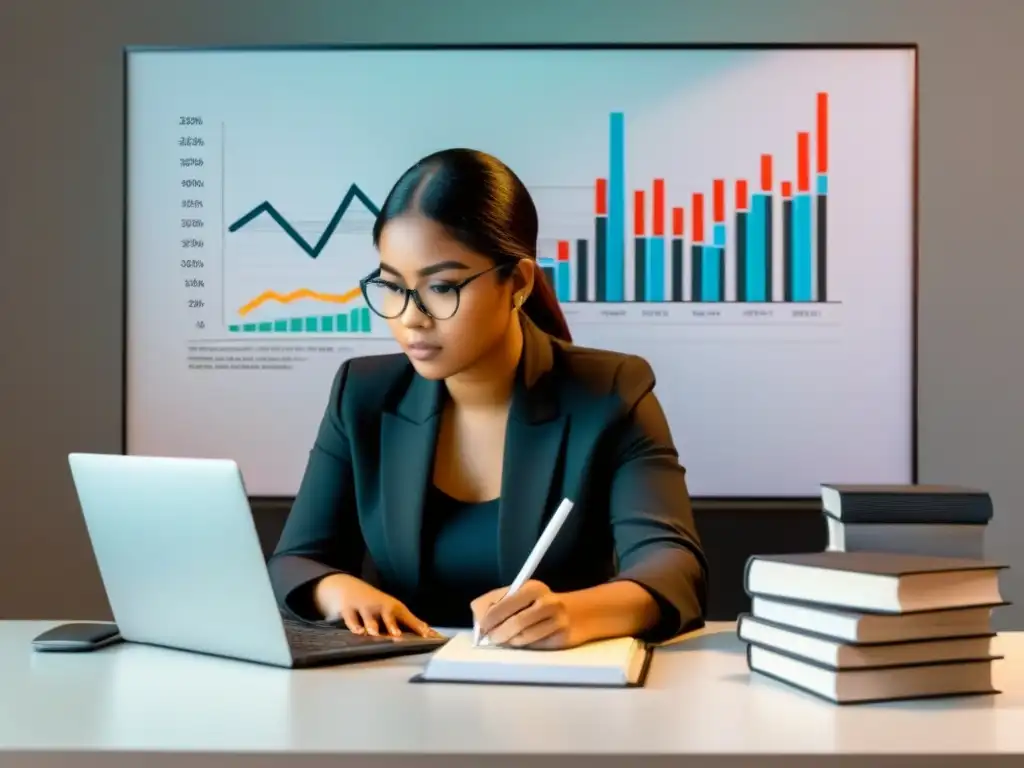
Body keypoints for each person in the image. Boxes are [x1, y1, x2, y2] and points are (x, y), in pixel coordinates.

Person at [268, 148, 708, 649]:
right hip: (399, 690)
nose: (411, 317)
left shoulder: (610, 392)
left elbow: (675, 567)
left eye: (441, 286)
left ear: (517, 282)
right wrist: (336, 590)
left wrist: (577, 613)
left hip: (559, 697)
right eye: (392, 286)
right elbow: (295, 561)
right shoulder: (362, 395)